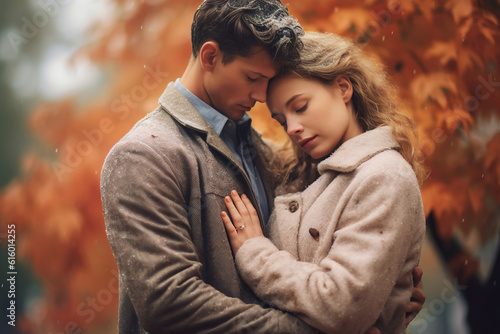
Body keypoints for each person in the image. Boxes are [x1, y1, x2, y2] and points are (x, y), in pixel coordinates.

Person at [100, 0, 424, 332]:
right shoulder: (144, 155)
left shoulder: (275, 157)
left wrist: (384, 295)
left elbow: (332, 281)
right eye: (253, 77)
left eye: (266, 81)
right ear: (210, 57)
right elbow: (170, 303)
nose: (259, 95)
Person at [221, 31, 427, 334]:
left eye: (300, 106)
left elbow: (341, 306)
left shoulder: (384, 176)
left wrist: (255, 253)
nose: (292, 128)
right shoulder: (302, 177)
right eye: (281, 119)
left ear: (343, 87)